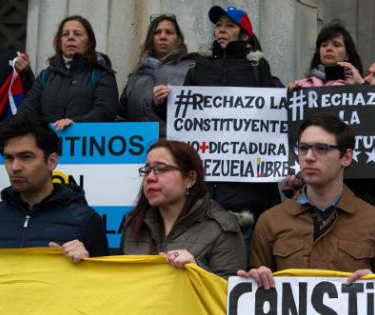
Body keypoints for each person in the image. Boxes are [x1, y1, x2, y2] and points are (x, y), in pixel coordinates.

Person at [240, 113, 375, 288]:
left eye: (321, 148)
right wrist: (255, 278)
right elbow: (254, 303)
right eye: (303, 148)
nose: (309, 157)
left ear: (346, 157)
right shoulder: (271, 221)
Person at [161, 6, 281, 240]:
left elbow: (271, 120)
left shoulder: (258, 68)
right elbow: (185, 119)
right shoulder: (198, 66)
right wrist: (162, 102)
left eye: (229, 25)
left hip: (247, 190)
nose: (221, 30)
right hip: (205, 187)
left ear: (244, 35)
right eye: (218, 25)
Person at [284, 57, 375, 212]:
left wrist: (361, 87)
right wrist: (296, 96)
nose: (367, 79)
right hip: (322, 210)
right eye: (367, 74)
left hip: (366, 212)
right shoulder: (342, 108)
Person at [120, 139, 245, 279]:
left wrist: (196, 268)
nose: (150, 178)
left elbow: (228, 294)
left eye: (161, 169)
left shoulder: (221, 228)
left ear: (190, 178)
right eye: (147, 170)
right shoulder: (134, 224)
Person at [0, 115, 108, 260]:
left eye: (26, 157)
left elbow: (104, 281)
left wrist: (86, 264)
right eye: (9, 158)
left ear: (52, 161)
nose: (15, 167)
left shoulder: (86, 220)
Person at [17, 15, 118, 130]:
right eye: (65, 34)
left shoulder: (102, 74)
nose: (70, 37)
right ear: (59, 42)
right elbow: (28, 107)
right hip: (48, 144)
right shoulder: (46, 75)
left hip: (86, 143)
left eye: (77, 34)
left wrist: (75, 123)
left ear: (90, 43)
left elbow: (105, 111)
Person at [119, 14, 197, 136]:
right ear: (151, 39)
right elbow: (121, 116)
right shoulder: (136, 75)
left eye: (169, 32)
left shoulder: (192, 68)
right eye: (157, 32)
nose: (163, 37)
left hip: (174, 147)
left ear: (179, 40)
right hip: (138, 148)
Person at [288, 21, 364, 89]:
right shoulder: (302, 85)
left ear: (347, 54)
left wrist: (361, 85)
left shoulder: (358, 85)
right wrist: (291, 94)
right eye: (324, 45)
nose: (329, 49)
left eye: (336, 45)